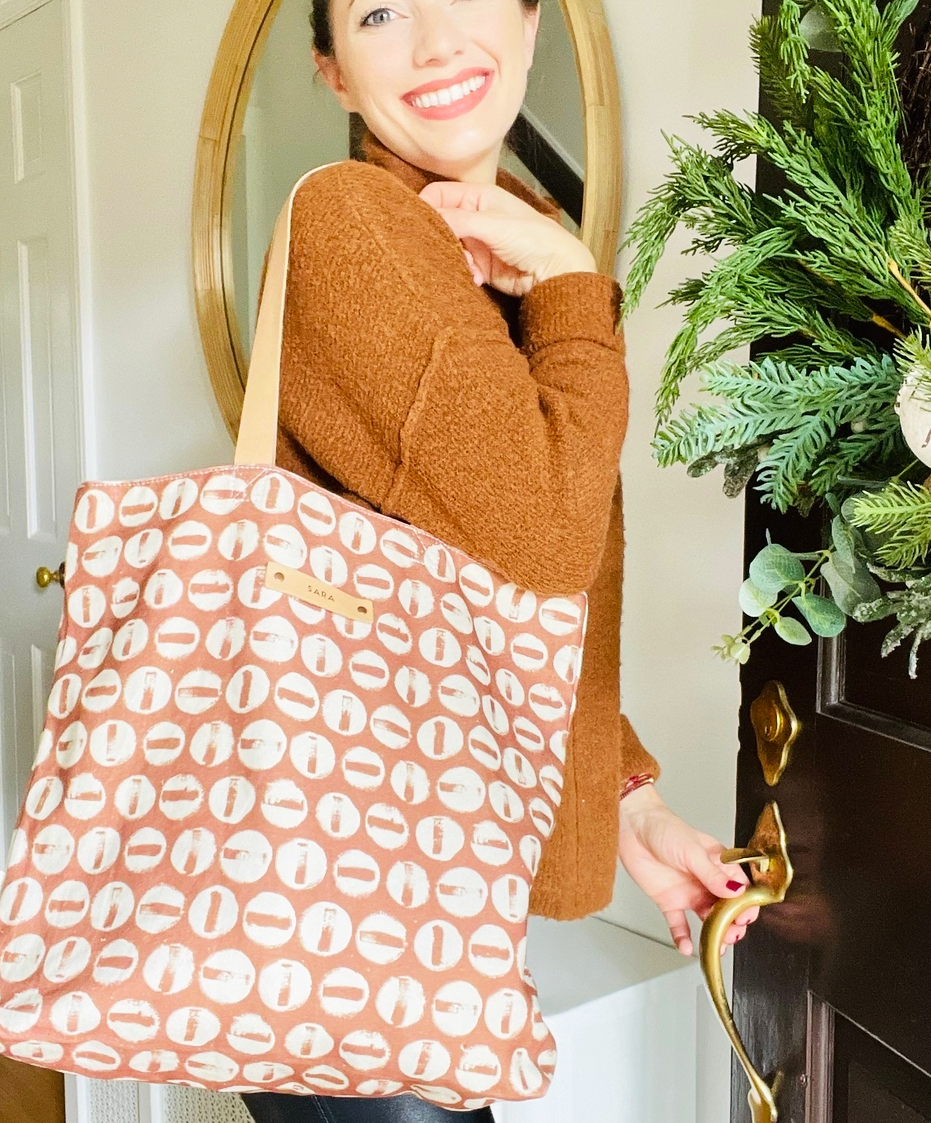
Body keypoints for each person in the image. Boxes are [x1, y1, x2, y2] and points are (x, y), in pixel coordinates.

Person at [240, 2, 758, 1120]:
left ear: (529, 26)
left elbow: (488, 607)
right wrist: (575, 280)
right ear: (333, 71)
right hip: (358, 921)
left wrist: (627, 802)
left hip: (407, 900)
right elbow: (543, 541)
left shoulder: (486, 250)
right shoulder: (354, 221)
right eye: (380, 13)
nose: (435, 43)